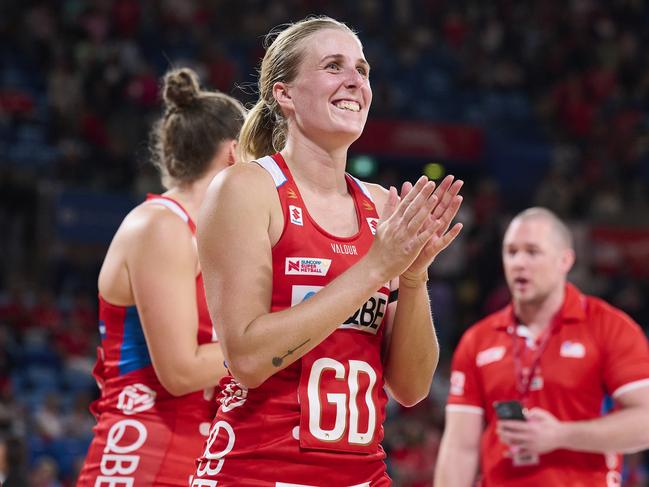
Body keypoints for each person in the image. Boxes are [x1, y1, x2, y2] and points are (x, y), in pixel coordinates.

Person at [191, 16, 464, 487]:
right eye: (333, 66)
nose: (355, 81)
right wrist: (376, 266)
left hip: (361, 474)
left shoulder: (382, 205)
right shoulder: (247, 189)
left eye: (362, 69)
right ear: (285, 94)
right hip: (257, 470)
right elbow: (248, 361)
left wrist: (415, 277)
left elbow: (412, 388)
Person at [77, 67, 246, 486]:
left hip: (204, 456)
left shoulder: (215, 236)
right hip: (144, 451)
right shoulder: (160, 225)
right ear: (234, 152)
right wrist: (276, 343)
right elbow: (181, 371)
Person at [435, 207, 649, 486]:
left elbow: (644, 422)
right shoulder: (478, 340)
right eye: (511, 252)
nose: (519, 263)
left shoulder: (608, 327)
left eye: (532, 252)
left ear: (565, 260)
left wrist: (560, 435)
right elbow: (459, 448)